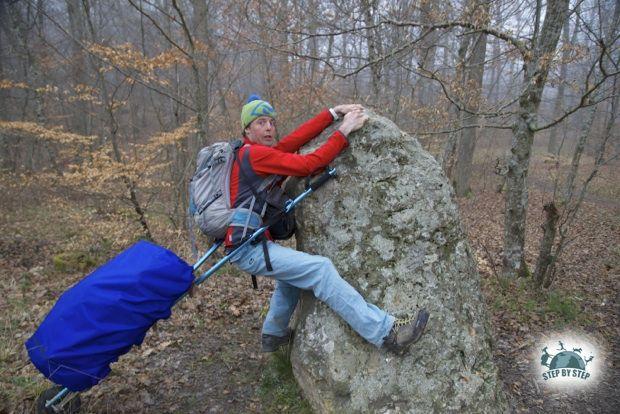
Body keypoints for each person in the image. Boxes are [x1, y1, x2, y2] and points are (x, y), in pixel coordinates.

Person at [226, 95, 429, 354]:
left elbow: (294, 140)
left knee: (293, 274)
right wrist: (344, 130)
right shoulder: (254, 156)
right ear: (246, 129)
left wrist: (333, 113)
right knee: (320, 269)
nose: (268, 128)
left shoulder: (249, 155)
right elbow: (310, 163)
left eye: (271, 122)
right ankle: (387, 334)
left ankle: (273, 333)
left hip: (248, 244)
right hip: (248, 249)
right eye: (260, 122)